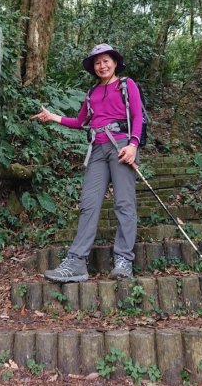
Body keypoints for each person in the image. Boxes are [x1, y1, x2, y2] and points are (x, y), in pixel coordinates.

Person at [30, 44, 143, 283]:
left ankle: (123, 260)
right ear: (93, 67)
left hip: (121, 146)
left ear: (114, 63)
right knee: (88, 204)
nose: (102, 65)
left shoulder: (126, 85)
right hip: (97, 151)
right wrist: (53, 117)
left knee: (124, 203)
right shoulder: (91, 93)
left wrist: (133, 144)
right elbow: (81, 121)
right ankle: (76, 262)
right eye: (97, 62)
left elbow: (137, 116)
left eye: (106, 61)